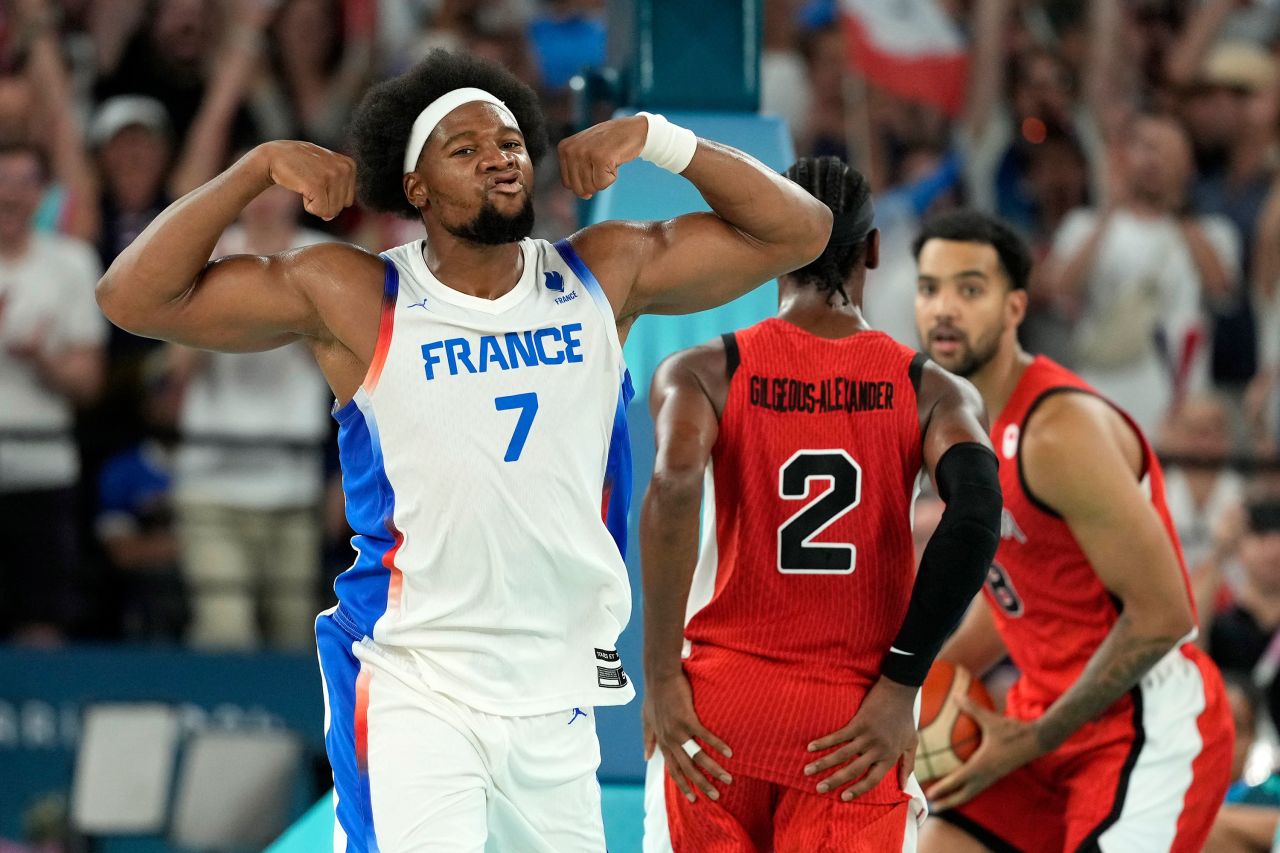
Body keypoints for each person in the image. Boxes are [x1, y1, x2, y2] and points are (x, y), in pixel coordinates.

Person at [95, 49, 831, 852]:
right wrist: (256, 168)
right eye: (466, 147)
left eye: (511, 140)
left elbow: (800, 232)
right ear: (417, 188)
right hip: (417, 680)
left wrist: (658, 138)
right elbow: (132, 296)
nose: (499, 156)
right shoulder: (355, 292)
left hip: (556, 686)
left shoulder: (603, 272)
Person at [640, 156, 1001, 852]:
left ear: (766, 238)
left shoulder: (704, 369)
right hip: (854, 717)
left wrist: (661, 677)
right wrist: (901, 683)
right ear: (872, 248)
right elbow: (978, 513)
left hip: (719, 708)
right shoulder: (933, 389)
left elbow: (675, 483)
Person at [912, 209, 1233, 852]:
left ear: (1015, 306)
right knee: (938, 842)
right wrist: (908, 686)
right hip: (1043, 713)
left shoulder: (1057, 432)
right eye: (930, 288)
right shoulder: (950, 423)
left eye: (970, 289)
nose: (945, 308)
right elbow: (1016, 598)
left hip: (1145, 723)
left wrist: (1035, 737)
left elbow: (1166, 614)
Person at [0, 141, 106, 644]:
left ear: (43, 195)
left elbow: (89, 385)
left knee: (42, 624)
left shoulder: (71, 263)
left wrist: (42, 360)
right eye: (2, 182)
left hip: (43, 475)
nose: (10, 196)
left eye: (23, 183)